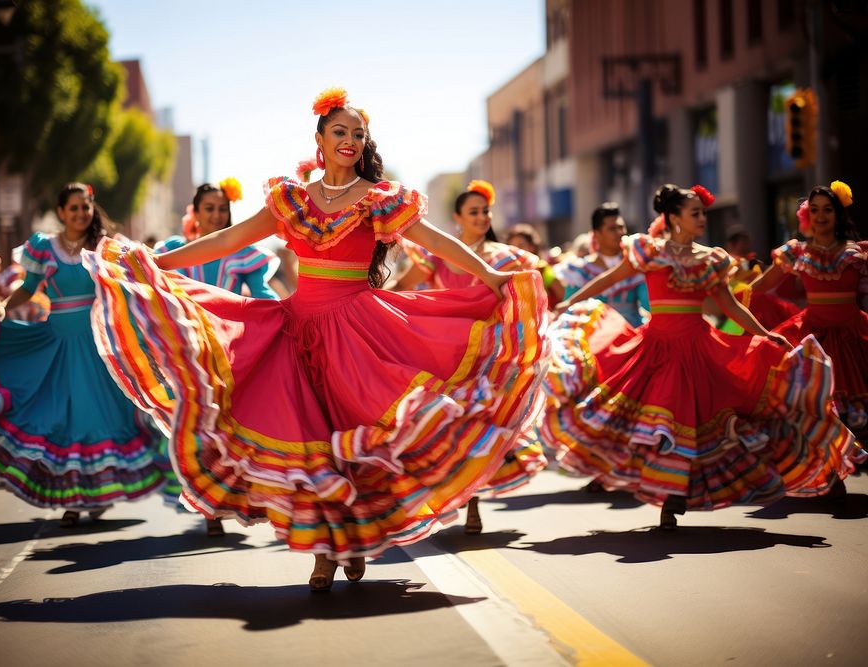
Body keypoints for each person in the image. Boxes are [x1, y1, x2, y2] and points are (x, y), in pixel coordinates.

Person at [84, 87, 549, 590]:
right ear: (320, 141)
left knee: (355, 445)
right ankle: (327, 553)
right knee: (313, 448)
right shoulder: (293, 200)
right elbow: (225, 240)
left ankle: (352, 540)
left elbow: (436, 241)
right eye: (339, 132)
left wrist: (491, 277)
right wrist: (156, 263)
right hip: (295, 333)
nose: (349, 141)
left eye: (357, 134)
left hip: (359, 334)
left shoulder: (379, 199)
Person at [541, 183, 861, 529]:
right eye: (695, 213)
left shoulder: (711, 258)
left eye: (703, 213)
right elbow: (608, 279)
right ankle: (669, 496)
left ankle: (677, 495)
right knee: (662, 423)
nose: (702, 219)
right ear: (674, 218)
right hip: (656, 350)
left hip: (699, 349)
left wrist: (764, 334)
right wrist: (570, 302)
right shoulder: (648, 251)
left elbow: (730, 306)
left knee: (709, 421)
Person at [0, 183, 170, 526]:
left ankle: (91, 495)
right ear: (62, 212)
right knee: (64, 420)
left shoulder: (106, 247)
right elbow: (27, 289)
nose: (82, 213)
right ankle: (74, 498)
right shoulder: (44, 248)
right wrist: (0, 310)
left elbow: (128, 285)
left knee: (101, 419)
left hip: (99, 345)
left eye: (86, 207)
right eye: (74, 208)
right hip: (57, 346)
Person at [394, 181, 548, 534]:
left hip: (490, 357)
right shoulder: (436, 256)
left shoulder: (506, 257)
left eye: (486, 212)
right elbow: (401, 287)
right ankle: (466, 498)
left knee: (480, 429)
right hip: (445, 355)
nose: (482, 217)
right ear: (457, 218)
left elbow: (537, 287)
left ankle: (474, 500)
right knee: (453, 430)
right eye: (474, 212)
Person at [751, 181, 867, 447]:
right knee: (814, 412)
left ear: (838, 214)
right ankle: (828, 477)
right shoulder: (796, 252)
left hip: (854, 333)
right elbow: (763, 287)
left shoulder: (858, 252)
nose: (821, 216)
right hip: (811, 337)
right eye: (814, 210)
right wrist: (726, 293)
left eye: (827, 209)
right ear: (807, 215)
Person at [155, 179, 280, 299]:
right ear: (196, 212)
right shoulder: (173, 247)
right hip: (182, 321)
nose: (216, 215)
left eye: (223, 209)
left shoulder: (243, 254)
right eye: (209, 208)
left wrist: (288, 315)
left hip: (228, 321)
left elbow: (263, 297)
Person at [555, 202, 649, 327]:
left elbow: (649, 304)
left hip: (631, 333)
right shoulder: (580, 271)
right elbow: (570, 312)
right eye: (612, 229)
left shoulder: (635, 265)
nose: (620, 233)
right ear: (597, 234)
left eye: (621, 227)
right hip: (594, 337)